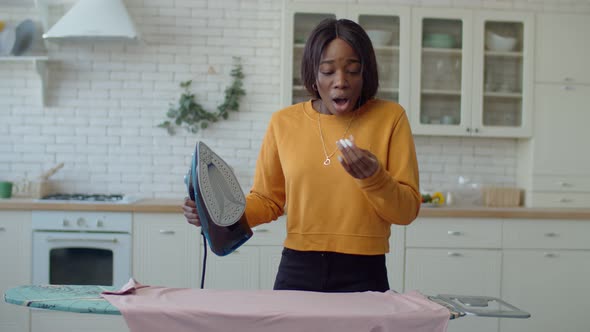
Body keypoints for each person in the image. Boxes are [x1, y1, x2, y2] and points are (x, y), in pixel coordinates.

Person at [183, 18, 420, 293]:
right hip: (298, 269)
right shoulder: (284, 122)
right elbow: (267, 200)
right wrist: (214, 212)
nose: (341, 82)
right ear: (312, 74)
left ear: (366, 73)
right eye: (328, 71)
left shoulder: (390, 118)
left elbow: (406, 212)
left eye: (353, 70)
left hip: (365, 271)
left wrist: (375, 178)